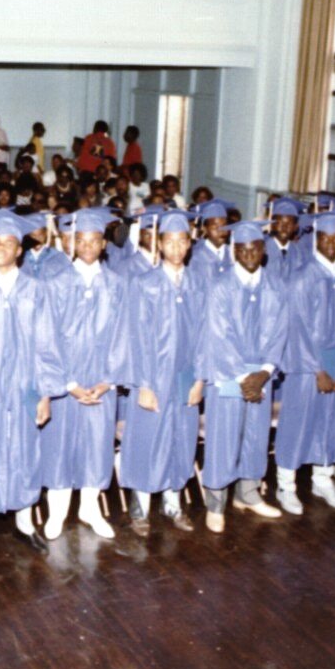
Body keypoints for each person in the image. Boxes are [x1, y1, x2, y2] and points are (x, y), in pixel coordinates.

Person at [0, 210, 64, 565]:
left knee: (25, 454)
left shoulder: (36, 290)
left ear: (20, 250)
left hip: (25, 387)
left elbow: (47, 344)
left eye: (9, 243)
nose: (1, 248)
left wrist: (45, 393)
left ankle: (24, 523)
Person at [41, 207, 131, 541]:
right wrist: (69, 384)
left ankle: (90, 509)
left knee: (97, 446)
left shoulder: (117, 285)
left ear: (104, 244)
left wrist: (107, 382)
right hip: (66, 382)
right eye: (82, 240)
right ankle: (57, 512)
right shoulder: (55, 284)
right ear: (72, 242)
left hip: (102, 382)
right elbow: (46, 337)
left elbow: (123, 336)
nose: (89, 246)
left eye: (95, 240)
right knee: (60, 446)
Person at [196, 219, 288, 533]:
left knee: (255, 436)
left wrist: (264, 372)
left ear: (264, 251)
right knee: (224, 437)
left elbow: (280, 333)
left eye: (255, 249)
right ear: (234, 251)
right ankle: (216, 504)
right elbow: (218, 336)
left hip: (262, 375)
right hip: (228, 375)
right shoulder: (220, 286)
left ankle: (248, 494)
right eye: (243, 249)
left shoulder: (276, 286)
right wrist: (243, 378)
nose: (249, 255)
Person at [122, 209, 205, 536]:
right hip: (152, 376)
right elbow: (133, 336)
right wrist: (143, 384)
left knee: (180, 439)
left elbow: (205, 335)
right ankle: (139, 507)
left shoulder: (198, 283)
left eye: (182, 241)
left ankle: (173, 503)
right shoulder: (144, 283)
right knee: (147, 440)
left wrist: (200, 379)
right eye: (169, 242)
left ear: (190, 244)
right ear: (159, 244)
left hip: (186, 375)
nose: (176, 248)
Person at [272, 213, 335, 515]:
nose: (331, 243)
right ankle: (286, 485)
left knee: (332, 422)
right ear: (316, 240)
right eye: (325, 238)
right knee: (298, 423)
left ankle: (323, 479)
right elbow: (297, 328)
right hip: (307, 364)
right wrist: (316, 369)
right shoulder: (302, 278)